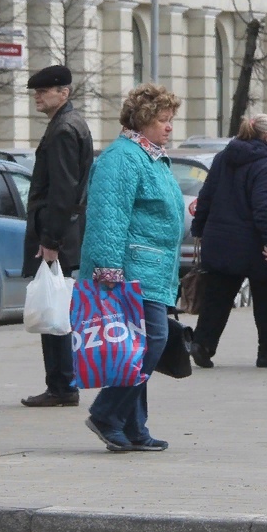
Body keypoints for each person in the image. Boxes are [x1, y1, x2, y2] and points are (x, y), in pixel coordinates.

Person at [79, 84, 185, 452]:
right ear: (142, 120)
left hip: (152, 269)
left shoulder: (150, 156)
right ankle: (107, 414)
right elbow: (109, 215)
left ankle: (133, 427)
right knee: (151, 341)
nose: (169, 127)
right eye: (162, 120)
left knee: (137, 347)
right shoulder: (122, 158)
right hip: (131, 270)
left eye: (170, 120)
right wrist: (108, 268)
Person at [188, 113, 267, 370]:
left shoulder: (223, 158)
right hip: (254, 241)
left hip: (221, 238)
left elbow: (207, 195)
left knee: (218, 296)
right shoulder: (265, 163)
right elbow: (265, 207)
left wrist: (199, 229)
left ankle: (202, 344)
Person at [20, 64, 95, 408]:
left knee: (55, 309)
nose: (38, 97)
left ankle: (62, 385)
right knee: (57, 305)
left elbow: (63, 189)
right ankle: (61, 383)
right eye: (37, 92)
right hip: (63, 231)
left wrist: (50, 240)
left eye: (43, 91)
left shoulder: (64, 129)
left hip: (57, 233)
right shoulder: (68, 123)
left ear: (63, 93)